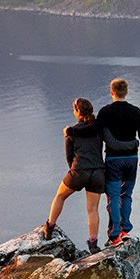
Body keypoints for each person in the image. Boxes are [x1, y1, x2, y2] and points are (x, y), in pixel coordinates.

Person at [67, 78, 140, 246]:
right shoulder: (136, 111)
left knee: (113, 197)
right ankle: (125, 230)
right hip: (132, 160)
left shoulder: (106, 112)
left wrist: (71, 131)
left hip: (113, 160)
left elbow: (93, 129)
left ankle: (115, 235)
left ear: (111, 92)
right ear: (126, 92)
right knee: (126, 195)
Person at [41, 98, 106, 254]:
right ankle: (93, 244)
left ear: (77, 112)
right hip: (97, 172)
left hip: (78, 171)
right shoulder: (97, 129)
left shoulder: (71, 132)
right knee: (93, 210)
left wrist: (76, 171)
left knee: (60, 196)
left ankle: (49, 227)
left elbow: (69, 158)